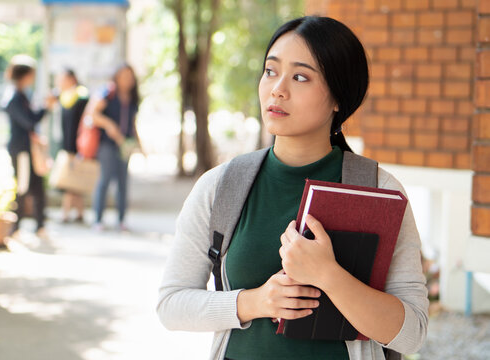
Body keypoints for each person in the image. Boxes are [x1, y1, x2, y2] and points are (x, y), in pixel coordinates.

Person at [156, 16, 429, 360]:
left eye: (300, 77)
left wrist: (327, 275)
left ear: (338, 99)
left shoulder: (378, 191)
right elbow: (171, 304)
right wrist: (255, 301)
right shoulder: (220, 186)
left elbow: (413, 334)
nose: (278, 89)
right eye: (271, 71)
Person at [2, 54, 55, 238]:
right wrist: (45, 108)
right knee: (23, 186)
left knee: (35, 185)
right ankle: (15, 227)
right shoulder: (14, 97)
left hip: (27, 149)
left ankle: (38, 225)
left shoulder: (20, 95)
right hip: (22, 150)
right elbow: (29, 121)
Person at [91, 64, 140, 231]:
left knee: (123, 182)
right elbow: (93, 114)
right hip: (107, 144)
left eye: (130, 76)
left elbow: (133, 122)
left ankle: (121, 219)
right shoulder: (108, 93)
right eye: (124, 75)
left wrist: (138, 143)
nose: (127, 79)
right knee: (105, 180)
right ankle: (97, 219)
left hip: (124, 145)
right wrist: (109, 125)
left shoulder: (132, 98)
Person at [56, 68, 89, 223]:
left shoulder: (81, 96)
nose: (59, 83)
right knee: (73, 181)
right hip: (68, 145)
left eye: (61, 79)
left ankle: (66, 213)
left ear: (71, 79)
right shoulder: (65, 96)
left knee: (69, 181)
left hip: (76, 146)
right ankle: (80, 213)